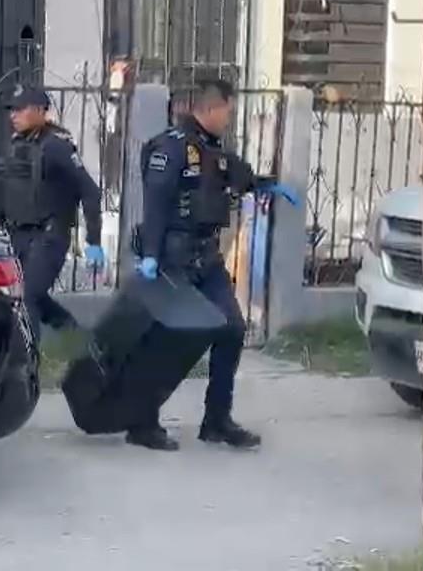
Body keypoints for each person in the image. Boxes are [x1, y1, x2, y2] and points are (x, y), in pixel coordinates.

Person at [126, 79, 300, 451]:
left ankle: (216, 420)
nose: (230, 118)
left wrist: (269, 186)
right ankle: (142, 421)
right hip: (172, 258)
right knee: (167, 340)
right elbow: (155, 204)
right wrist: (152, 255)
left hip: (207, 257)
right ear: (209, 109)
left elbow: (243, 178)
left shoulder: (215, 152)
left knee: (232, 328)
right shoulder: (169, 148)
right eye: (227, 111)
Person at [0, 86, 105, 341]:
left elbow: (89, 191)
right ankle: (77, 338)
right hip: (18, 233)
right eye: (12, 110)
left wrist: (94, 241)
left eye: (20, 109)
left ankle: (27, 365)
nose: (13, 115)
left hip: (49, 236)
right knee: (19, 295)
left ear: (40, 111)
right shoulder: (16, 144)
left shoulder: (56, 146)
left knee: (27, 296)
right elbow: (5, 188)